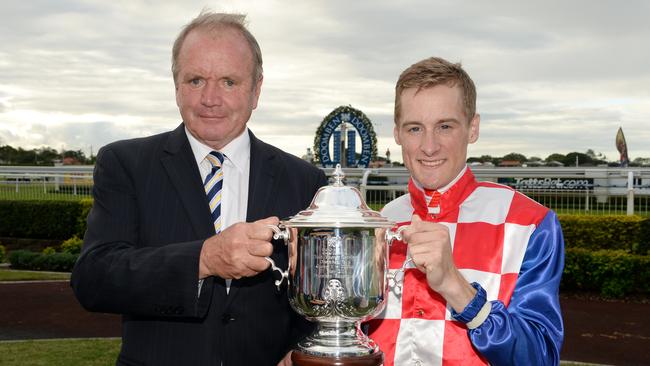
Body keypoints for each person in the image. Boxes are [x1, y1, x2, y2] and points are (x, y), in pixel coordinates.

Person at [71, 11, 327, 366]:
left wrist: (302, 349)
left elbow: (319, 299)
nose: (210, 98)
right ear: (176, 85)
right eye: (195, 80)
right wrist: (204, 259)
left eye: (228, 82)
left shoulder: (305, 181)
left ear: (256, 90)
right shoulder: (126, 163)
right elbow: (94, 279)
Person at [366, 57, 564, 365]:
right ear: (397, 134)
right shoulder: (379, 224)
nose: (429, 146)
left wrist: (456, 287)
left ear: (473, 129)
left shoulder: (529, 223)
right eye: (415, 128)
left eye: (445, 126)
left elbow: (539, 357)